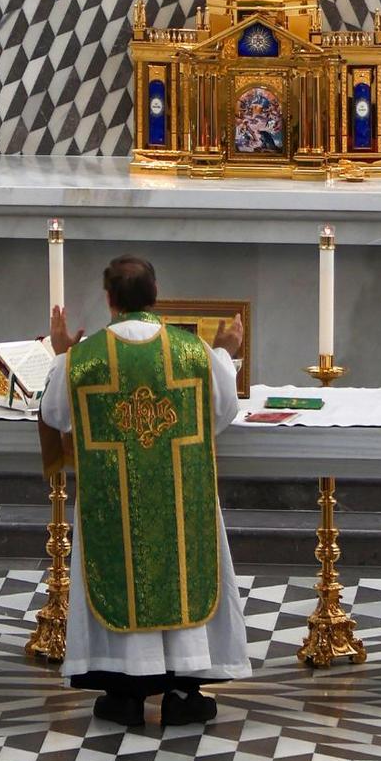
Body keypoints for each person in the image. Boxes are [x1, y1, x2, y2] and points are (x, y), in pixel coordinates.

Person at [40, 253, 248, 729]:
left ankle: (124, 693)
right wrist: (225, 352)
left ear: (109, 299)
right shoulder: (191, 352)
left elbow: (55, 415)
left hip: (112, 501)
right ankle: (182, 690)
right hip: (180, 500)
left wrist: (59, 356)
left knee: (123, 575)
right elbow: (222, 411)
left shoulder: (83, 359)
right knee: (181, 572)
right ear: (155, 297)